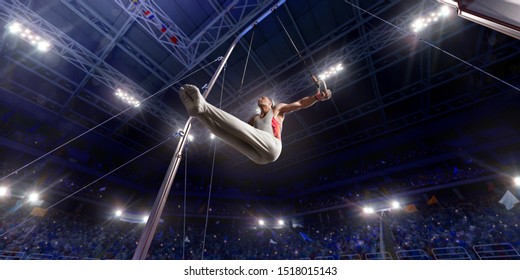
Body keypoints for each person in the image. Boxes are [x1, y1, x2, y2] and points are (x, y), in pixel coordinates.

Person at [179, 84, 332, 164]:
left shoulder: (277, 109)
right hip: (259, 158)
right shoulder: (254, 118)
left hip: (273, 146)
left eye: (264, 97)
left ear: (270, 102)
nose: (260, 98)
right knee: (225, 133)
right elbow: (236, 130)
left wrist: (317, 97)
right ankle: (199, 114)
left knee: (237, 126)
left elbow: (300, 103)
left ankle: (204, 106)